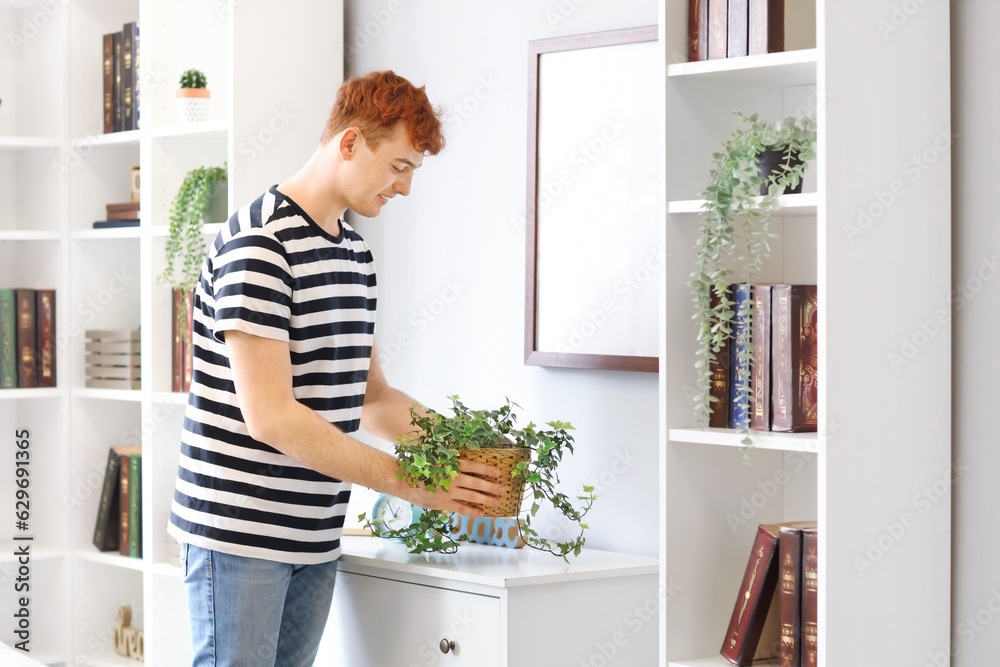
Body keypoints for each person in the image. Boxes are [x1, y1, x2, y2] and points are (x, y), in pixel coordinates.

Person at [166, 70, 504, 667]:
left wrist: (470, 451)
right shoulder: (260, 245)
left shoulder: (354, 254)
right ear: (350, 143)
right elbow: (271, 417)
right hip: (239, 535)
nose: (403, 189)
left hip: (316, 535)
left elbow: (372, 398)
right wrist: (414, 483)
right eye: (398, 166)